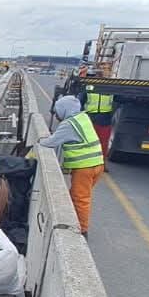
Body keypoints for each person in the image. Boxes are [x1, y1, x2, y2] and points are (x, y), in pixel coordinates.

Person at [38, 95, 105, 236]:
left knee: (80, 198)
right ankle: (76, 221)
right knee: (77, 195)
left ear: (64, 110)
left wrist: (39, 141)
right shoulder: (83, 118)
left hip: (85, 167)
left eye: (57, 112)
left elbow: (51, 142)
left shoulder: (68, 124)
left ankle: (82, 230)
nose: (56, 116)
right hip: (97, 164)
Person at [83, 84, 114, 157]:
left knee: (103, 145)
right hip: (90, 119)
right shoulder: (89, 86)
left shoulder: (112, 87)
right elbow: (80, 100)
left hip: (104, 120)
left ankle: (101, 165)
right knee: (88, 143)